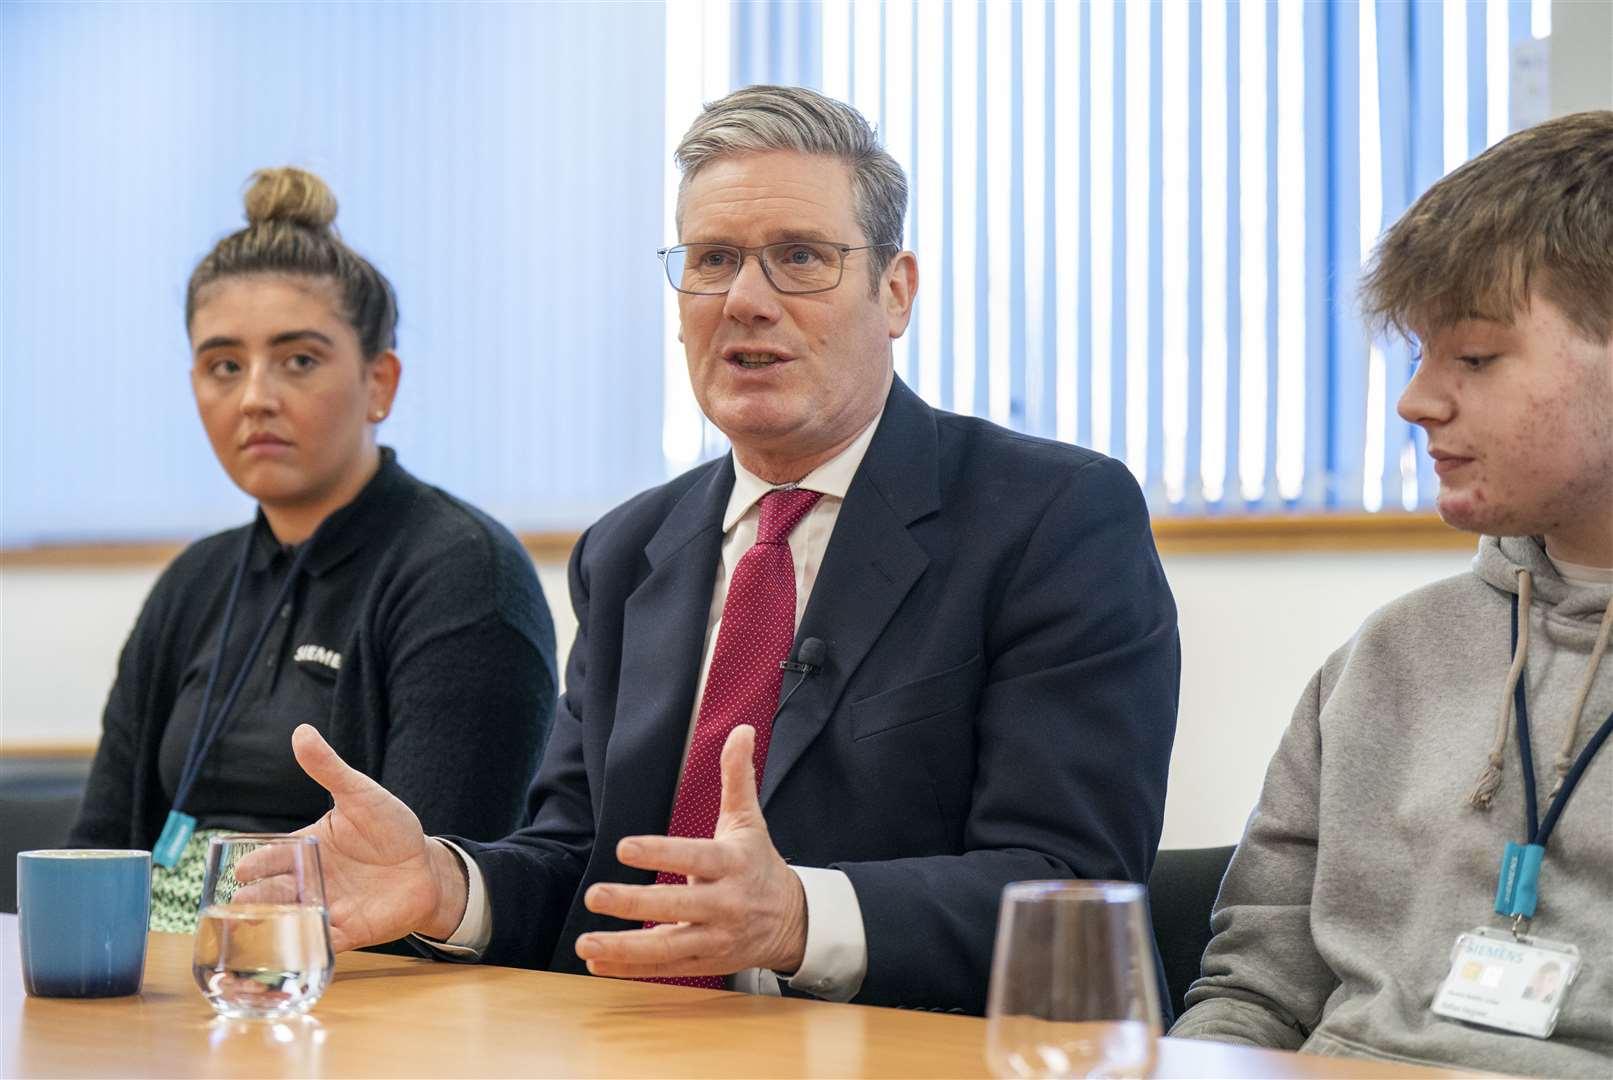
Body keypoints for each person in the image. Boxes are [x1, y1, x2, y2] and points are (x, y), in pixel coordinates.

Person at [249, 87, 1179, 1015]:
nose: (744, 300)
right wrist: (446, 886)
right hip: (647, 1047)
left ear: (893, 292)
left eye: (800, 258)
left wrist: (798, 920)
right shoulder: (628, 552)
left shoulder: (1052, 516)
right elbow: (581, 868)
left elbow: (1072, 885)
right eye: (714, 261)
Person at [1171, 112, 1612, 1076]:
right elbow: (1253, 989)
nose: (1416, 401)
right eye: (1418, 354)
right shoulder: (1390, 656)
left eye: (1475, 358)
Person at [68, 167, 558, 932]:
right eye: (224, 365)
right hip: (165, 996)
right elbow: (99, 847)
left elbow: (433, 882)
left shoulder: (464, 573)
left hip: (351, 990)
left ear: (378, 383)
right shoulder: (195, 579)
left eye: (298, 360)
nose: (255, 395)